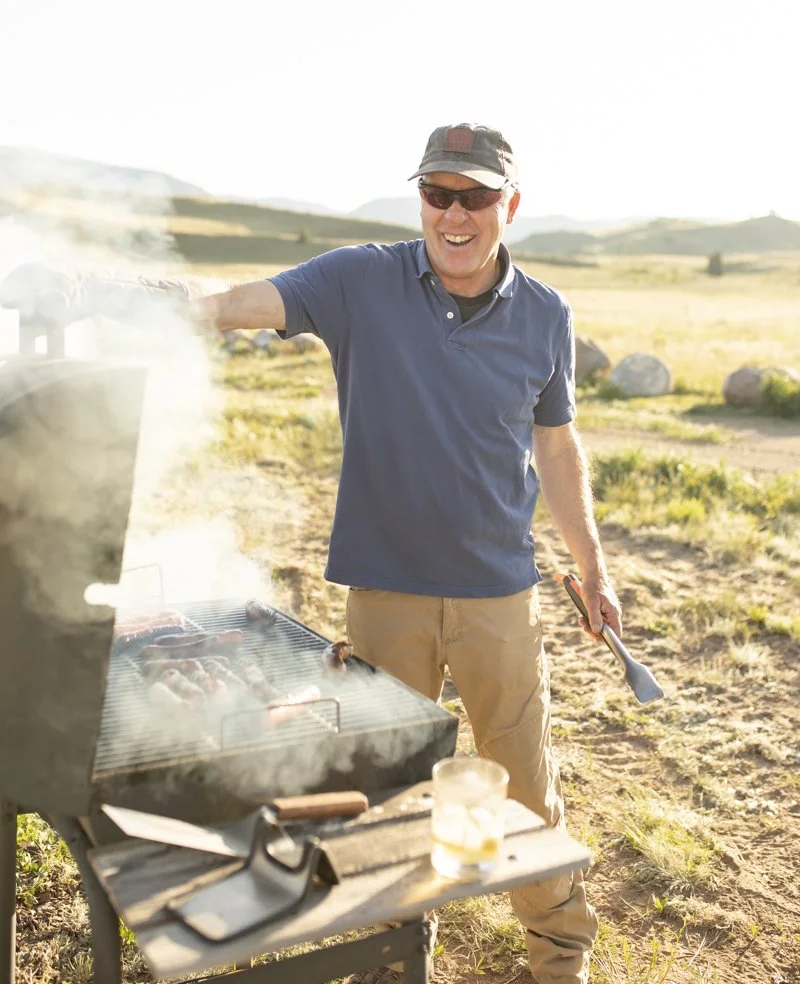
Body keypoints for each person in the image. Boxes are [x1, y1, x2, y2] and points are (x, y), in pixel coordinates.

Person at [1, 122, 621, 984]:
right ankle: (399, 955)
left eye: (475, 197)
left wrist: (592, 564)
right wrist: (106, 287)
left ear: (508, 205)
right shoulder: (359, 280)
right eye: (437, 193)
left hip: (498, 596)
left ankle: (559, 957)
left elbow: (555, 444)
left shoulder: (547, 314)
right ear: (421, 199)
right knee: (386, 797)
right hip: (386, 595)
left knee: (521, 783)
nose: (453, 214)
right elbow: (227, 304)